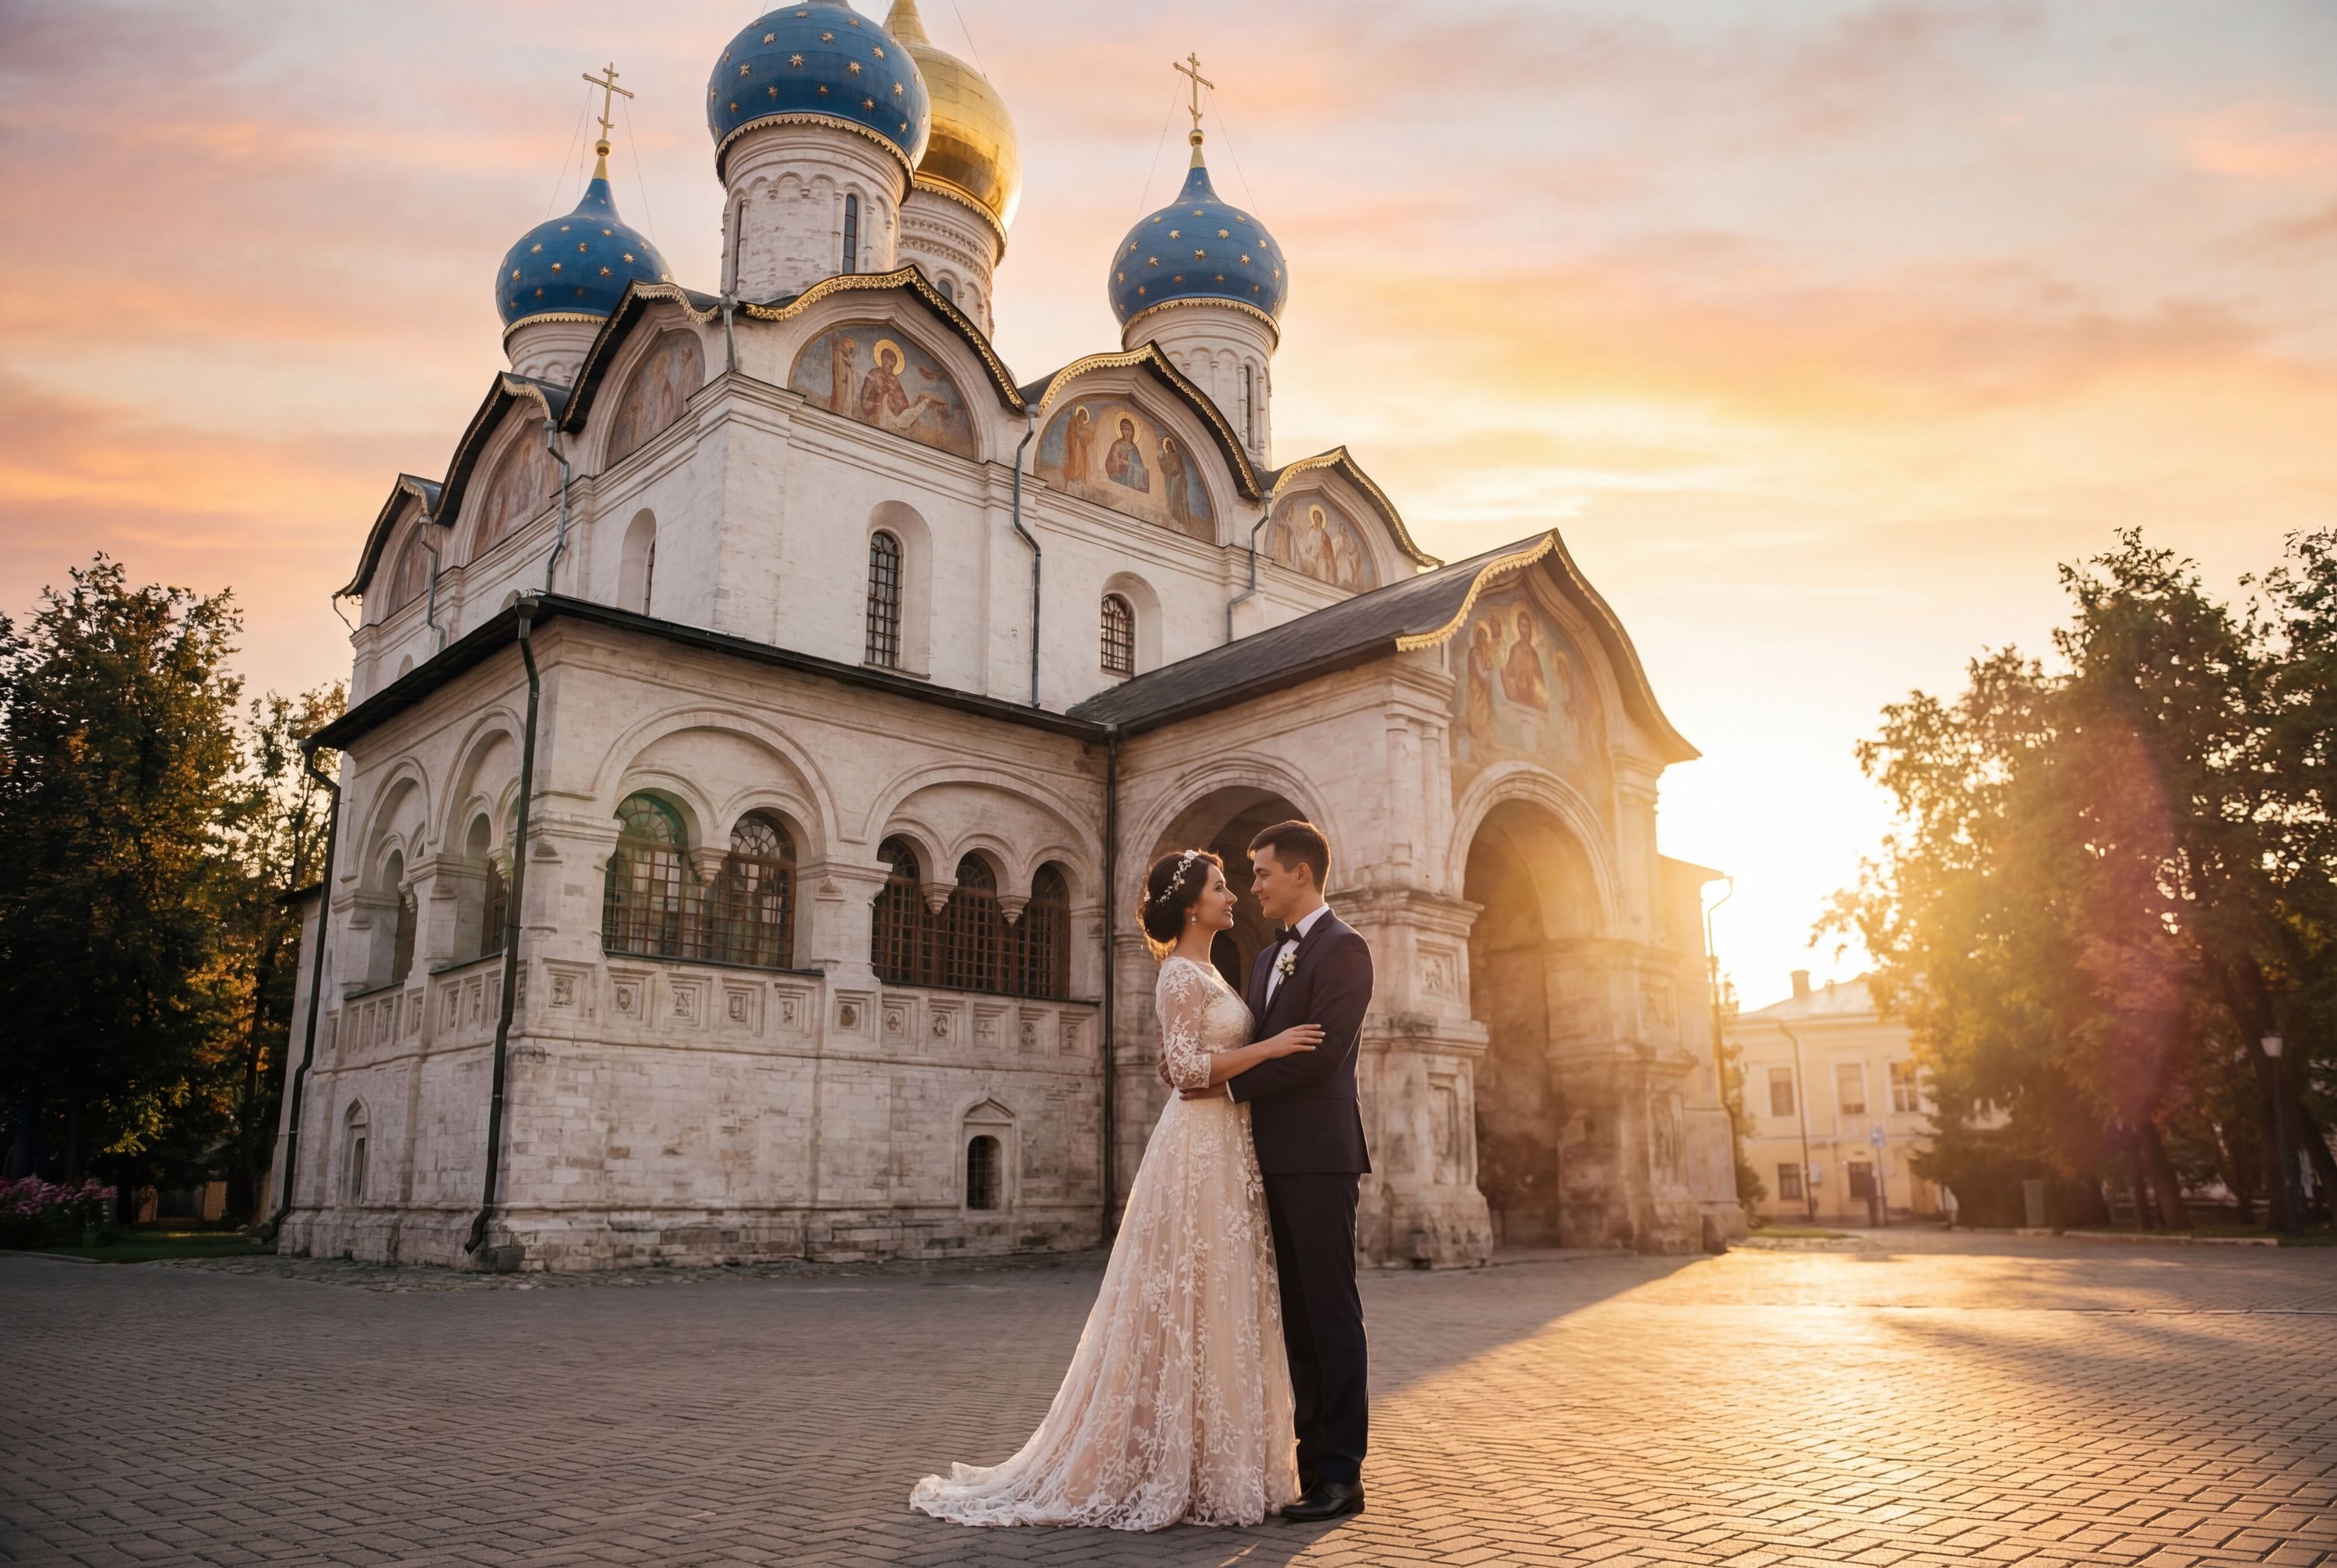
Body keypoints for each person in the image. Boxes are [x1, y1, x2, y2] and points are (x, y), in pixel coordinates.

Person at [909, 849, 1319, 1530]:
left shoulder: (1211, 969)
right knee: (1186, 1291)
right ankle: (1162, 1461)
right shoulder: (1179, 973)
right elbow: (1184, 1068)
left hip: (1226, 1143)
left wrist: (1231, 1064)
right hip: (1197, 1147)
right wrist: (1271, 1049)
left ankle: (1212, 1460)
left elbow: (1188, 1061)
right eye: (1221, 887)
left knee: (1217, 1295)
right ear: (1192, 905)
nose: (1233, 896)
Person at [1179, 819, 1373, 1522]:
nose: (1253, 884)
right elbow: (1263, 1042)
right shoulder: (1265, 959)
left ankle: (1342, 1475)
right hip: (1265, 1157)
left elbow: (1321, 1054)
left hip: (1320, 1158)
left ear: (1300, 873)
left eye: (1261, 872)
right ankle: (1310, 1465)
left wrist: (1227, 1086)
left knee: (1330, 1311)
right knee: (1295, 1316)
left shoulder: (1346, 949)